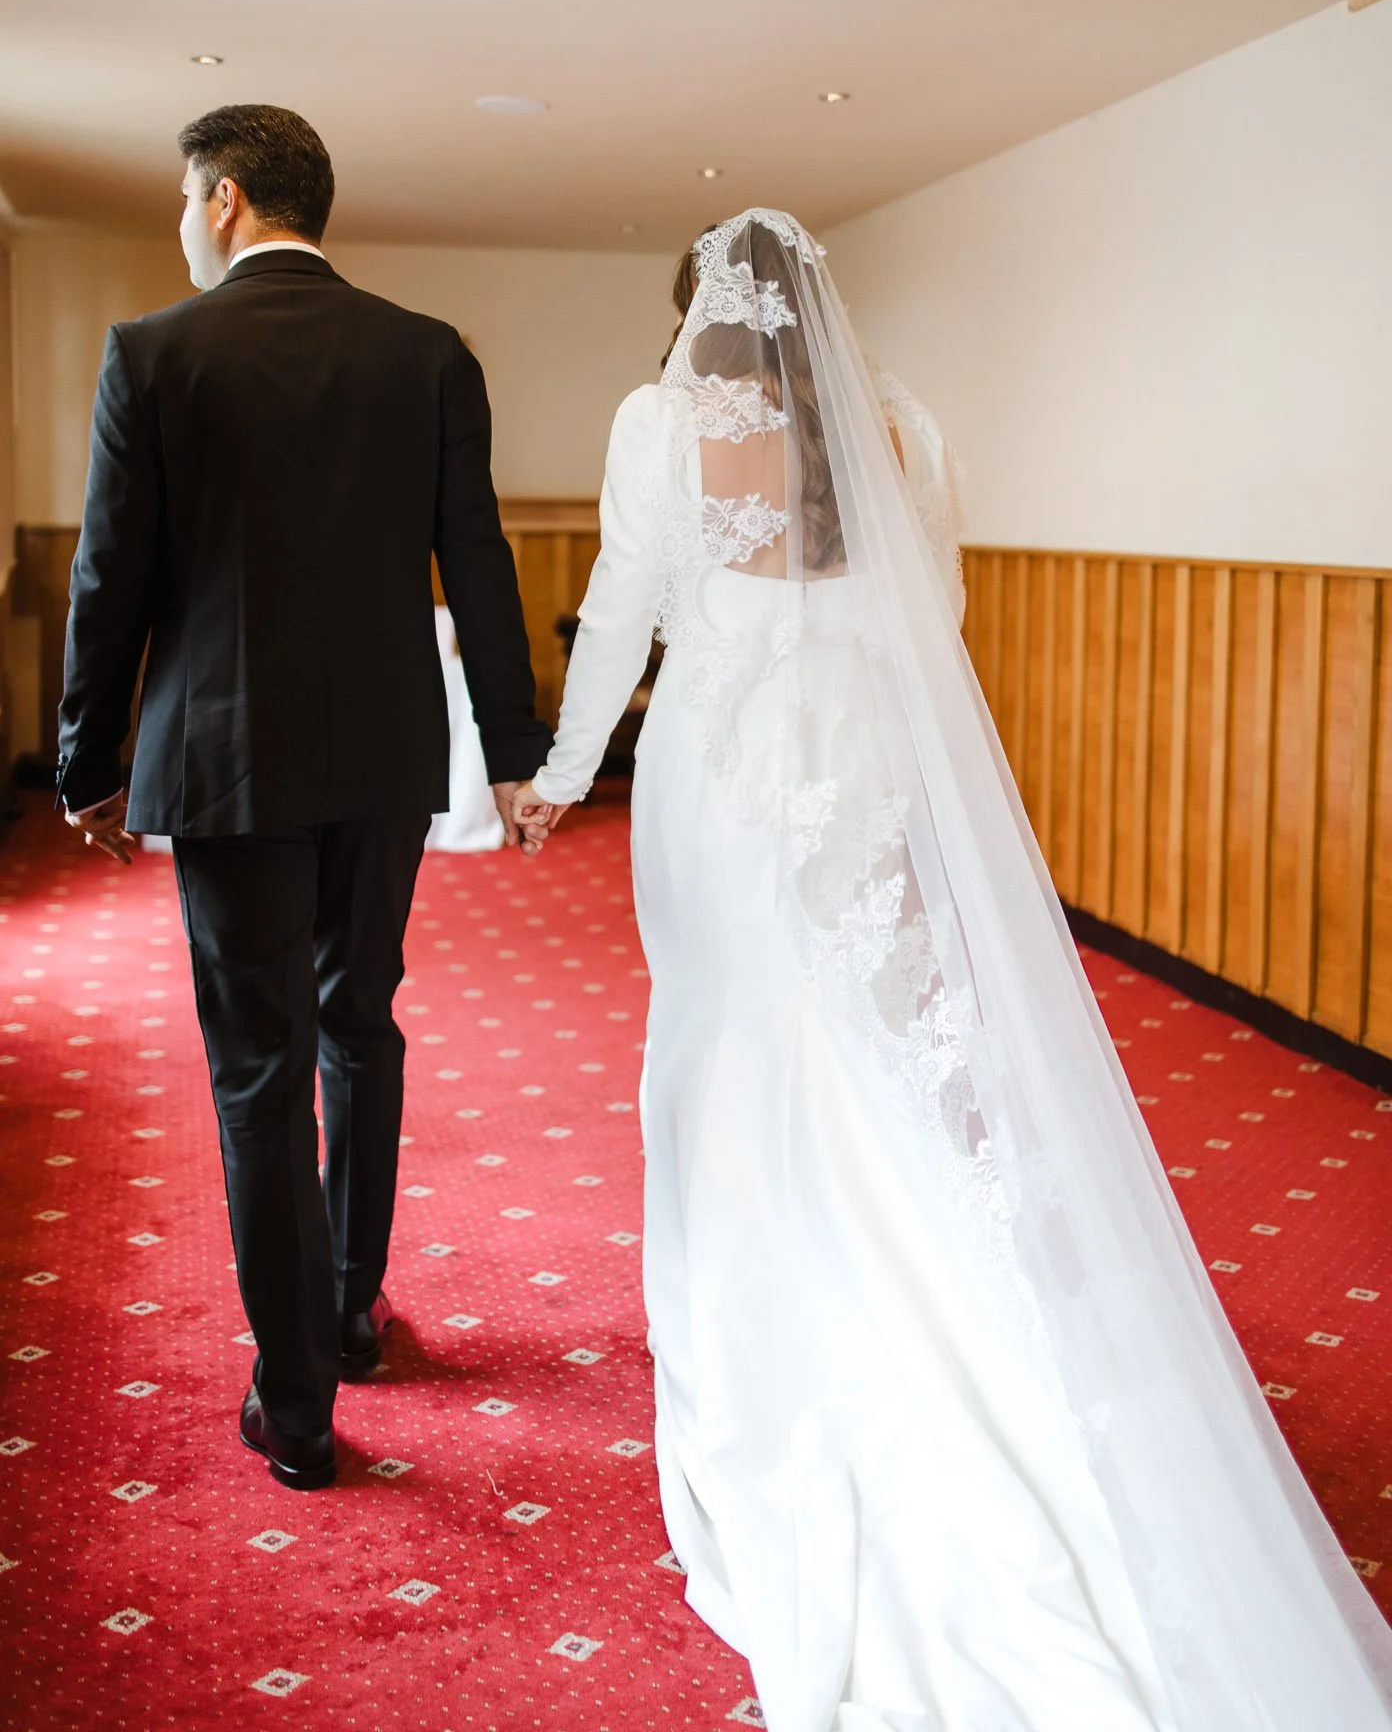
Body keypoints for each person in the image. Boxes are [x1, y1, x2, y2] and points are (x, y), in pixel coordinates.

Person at [513, 210, 1392, 1731]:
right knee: (875, 1049)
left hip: (721, 791)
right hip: (858, 777)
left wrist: (561, 770)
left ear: (700, 318)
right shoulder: (904, 430)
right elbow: (944, 628)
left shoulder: (662, 421)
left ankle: (775, 1336)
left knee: (732, 1065)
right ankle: (968, 1318)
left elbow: (623, 622)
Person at [58, 105, 550, 1490]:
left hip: (222, 764)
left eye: (179, 200)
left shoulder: (155, 354)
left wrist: (86, 759)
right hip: (388, 754)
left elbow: (113, 578)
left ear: (220, 201)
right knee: (359, 1018)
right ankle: (347, 1307)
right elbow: (482, 563)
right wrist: (511, 747)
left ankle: (296, 1400)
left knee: (258, 1069)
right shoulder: (427, 353)